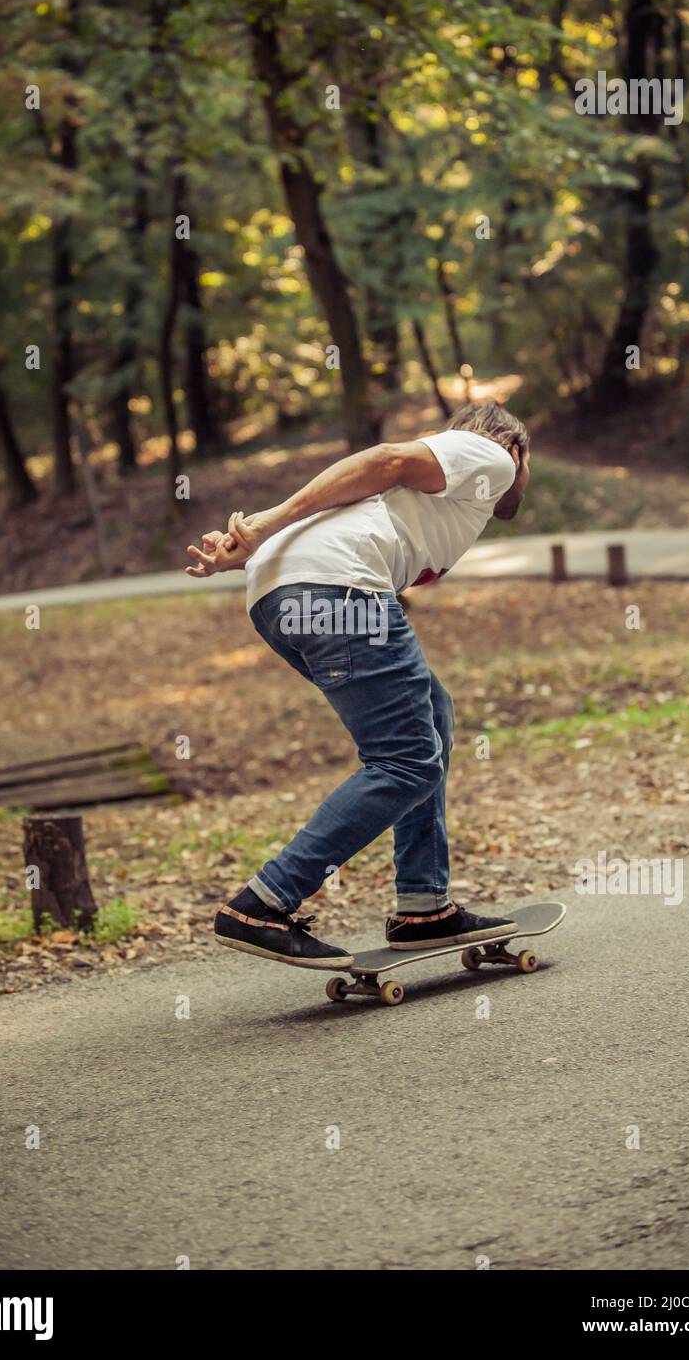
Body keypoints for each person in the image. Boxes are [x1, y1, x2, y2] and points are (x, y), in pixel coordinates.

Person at [186, 400, 531, 969]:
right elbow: (388, 459)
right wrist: (268, 521)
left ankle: (424, 906)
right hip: (337, 590)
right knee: (407, 761)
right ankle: (262, 904)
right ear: (515, 447)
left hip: (281, 600)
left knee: (432, 712)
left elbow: (363, 492)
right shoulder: (491, 454)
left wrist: (253, 541)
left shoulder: (438, 494)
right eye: (531, 461)